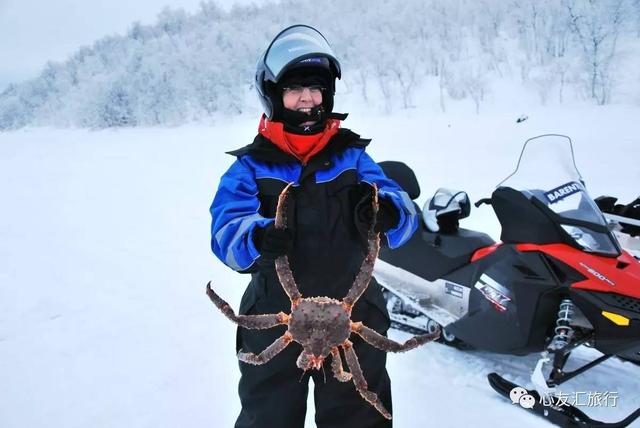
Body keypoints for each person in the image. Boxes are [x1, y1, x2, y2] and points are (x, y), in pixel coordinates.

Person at [209, 24, 418, 428]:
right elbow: (226, 229)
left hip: (355, 313)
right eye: (294, 87)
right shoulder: (250, 166)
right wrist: (255, 237)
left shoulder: (353, 158)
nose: (307, 97)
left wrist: (389, 213)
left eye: (316, 88)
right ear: (273, 95)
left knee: (360, 414)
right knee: (268, 416)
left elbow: (403, 209)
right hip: (275, 312)